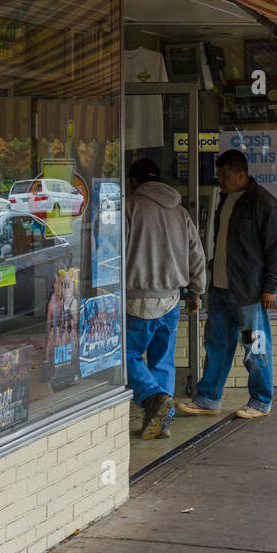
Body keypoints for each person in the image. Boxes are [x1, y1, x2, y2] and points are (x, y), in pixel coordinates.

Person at [177, 148, 277, 421]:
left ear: (242, 175)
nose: (220, 181)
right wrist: (217, 261)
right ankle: (208, 397)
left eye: (225, 176)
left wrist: (271, 286)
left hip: (248, 293)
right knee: (217, 344)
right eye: (219, 176)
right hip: (222, 290)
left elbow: (276, 248)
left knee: (254, 345)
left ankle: (261, 400)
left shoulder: (263, 203)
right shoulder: (225, 199)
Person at [125, 157, 206, 440]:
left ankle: (154, 397)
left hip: (136, 298)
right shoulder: (180, 211)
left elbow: (113, 254)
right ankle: (163, 421)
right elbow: (196, 255)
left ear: (134, 182)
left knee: (126, 355)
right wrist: (196, 293)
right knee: (162, 361)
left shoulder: (129, 207)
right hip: (172, 298)